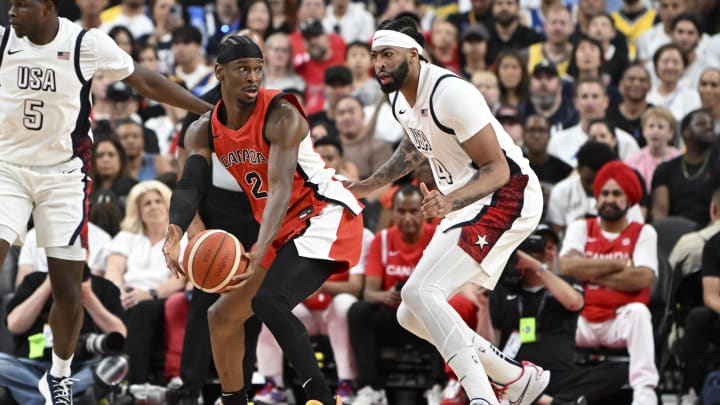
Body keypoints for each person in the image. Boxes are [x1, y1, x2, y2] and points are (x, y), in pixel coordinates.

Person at [0, 1, 210, 403]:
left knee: (68, 289)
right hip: (8, 169)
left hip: (63, 176)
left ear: (45, 7)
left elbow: (145, 81)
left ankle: (58, 376)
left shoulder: (85, 43)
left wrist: (209, 111)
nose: (11, 11)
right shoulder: (3, 41)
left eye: (21, 4)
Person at [348, 17, 549, 405]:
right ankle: (513, 377)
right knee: (410, 312)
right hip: (466, 200)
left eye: (387, 55)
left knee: (422, 290)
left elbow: (498, 170)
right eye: (375, 56)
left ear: (414, 53)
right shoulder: (398, 98)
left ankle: (482, 397)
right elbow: (414, 146)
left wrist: (449, 201)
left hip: (508, 194)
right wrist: (369, 185)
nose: (379, 65)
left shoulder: (450, 93)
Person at [163, 35, 364, 405]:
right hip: (283, 227)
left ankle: (321, 397)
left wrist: (259, 251)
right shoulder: (201, 129)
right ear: (219, 72)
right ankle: (236, 400)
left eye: (258, 69)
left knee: (269, 300)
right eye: (244, 69)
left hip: (323, 215)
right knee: (220, 316)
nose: (254, 77)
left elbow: (281, 189)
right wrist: (175, 231)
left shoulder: (281, 114)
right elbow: (190, 185)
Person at [559, 161, 660, 405]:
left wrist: (588, 270)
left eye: (616, 194)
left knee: (639, 313)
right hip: (580, 319)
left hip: (619, 320)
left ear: (629, 199)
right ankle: (549, 386)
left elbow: (642, 277)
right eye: (604, 193)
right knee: (549, 311)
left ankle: (644, 392)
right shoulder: (580, 227)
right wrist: (618, 265)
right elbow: (566, 267)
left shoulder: (643, 232)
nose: (609, 199)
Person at [491, 227, 629, 405]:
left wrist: (536, 266)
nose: (546, 253)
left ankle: (551, 402)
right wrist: (483, 306)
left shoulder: (568, 283)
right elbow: (491, 344)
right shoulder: (505, 290)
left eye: (551, 247)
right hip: (519, 377)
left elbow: (574, 302)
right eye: (540, 247)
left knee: (618, 370)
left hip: (560, 377)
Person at [0, 266, 126, 405]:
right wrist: (49, 284)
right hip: (31, 367)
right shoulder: (34, 281)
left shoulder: (104, 287)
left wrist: (87, 297)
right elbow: (14, 325)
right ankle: (62, 398)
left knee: (116, 364)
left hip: (82, 367)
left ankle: (46, 397)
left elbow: (120, 334)